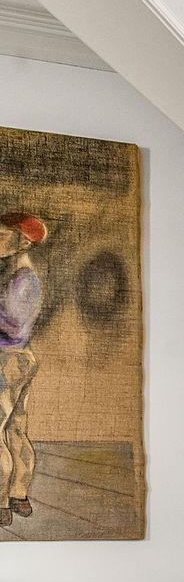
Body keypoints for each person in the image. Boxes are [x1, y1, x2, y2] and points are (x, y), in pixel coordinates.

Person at [0, 212, 47, 529]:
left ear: (23, 241)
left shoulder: (24, 280)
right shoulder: (20, 277)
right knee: (16, 429)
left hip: (6, 359)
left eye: (3, 234)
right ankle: (19, 495)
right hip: (20, 358)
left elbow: (11, 325)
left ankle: (1, 504)